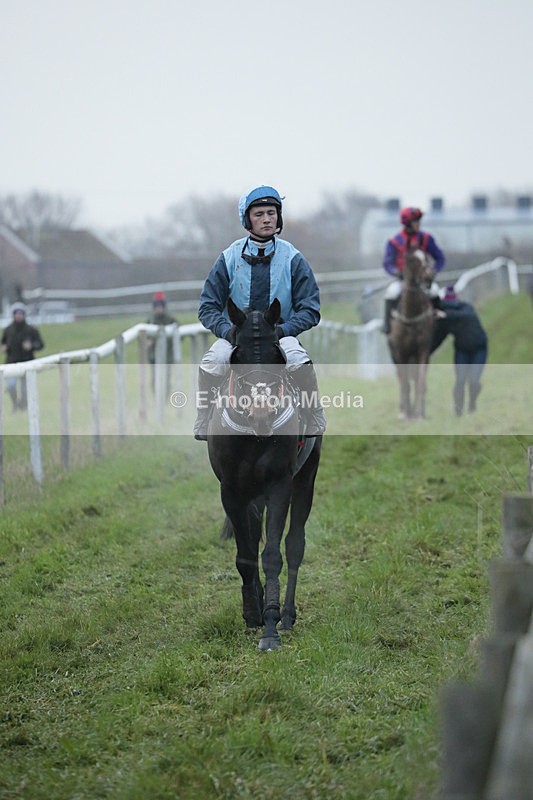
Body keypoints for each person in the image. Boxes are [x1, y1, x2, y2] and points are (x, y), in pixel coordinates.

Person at [193, 184, 326, 441]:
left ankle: (314, 414)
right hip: (237, 337)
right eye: (259, 214)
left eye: (271, 213)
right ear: (247, 219)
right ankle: (204, 415)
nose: (266, 219)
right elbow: (207, 307)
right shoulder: (229, 257)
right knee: (213, 360)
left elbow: (310, 308)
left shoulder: (293, 258)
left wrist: (284, 330)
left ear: (278, 217)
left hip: (279, 335)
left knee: (297, 357)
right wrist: (227, 331)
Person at [382, 206, 446, 334]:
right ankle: (388, 327)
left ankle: (439, 322)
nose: (419, 224)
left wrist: (432, 271)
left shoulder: (426, 238)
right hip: (403, 280)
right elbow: (387, 263)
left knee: (435, 290)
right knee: (391, 292)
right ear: (407, 224)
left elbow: (440, 258)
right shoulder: (394, 242)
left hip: (422, 280)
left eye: (419, 221)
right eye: (416, 221)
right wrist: (396, 272)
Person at [432, 286, 488, 416]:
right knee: (460, 381)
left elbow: (466, 315)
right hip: (462, 350)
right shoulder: (445, 321)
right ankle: (458, 412)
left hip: (479, 349)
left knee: (474, 381)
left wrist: (446, 314)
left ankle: (472, 404)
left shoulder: (466, 308)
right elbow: (438, 340)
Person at [1, 302, 45, 411]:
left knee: (25, 389)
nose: (18, 315)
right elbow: (3, 343)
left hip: (27, 363)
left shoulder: (31, 329)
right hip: (11, 363)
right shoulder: (8, 330)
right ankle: (15, 404)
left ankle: (23, 405)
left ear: (24, 314)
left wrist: (31, 346)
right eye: (16, 313)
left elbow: (41, 344)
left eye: (20, 313)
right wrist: (4, 347)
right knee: (11, 386)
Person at [145, 292, 178, 392]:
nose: (158, 308)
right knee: (155, 379)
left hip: (167, 356)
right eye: (157, 306)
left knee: (166, 379)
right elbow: (144, 338)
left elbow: (178, 335)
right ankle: (157, 399)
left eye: (160, 306)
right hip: (154, 357)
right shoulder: (150, 320)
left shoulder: (170, 320)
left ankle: (165, 399)